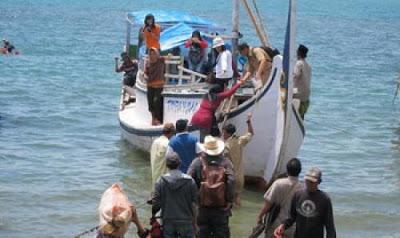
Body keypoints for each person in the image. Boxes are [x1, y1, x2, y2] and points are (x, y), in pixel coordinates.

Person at [187, 135, 235, 238]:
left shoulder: (197, 162)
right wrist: (229, 201)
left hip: (202, 207)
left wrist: (194, 199)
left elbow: (188, 180)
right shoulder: (226, 162)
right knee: (221, 233)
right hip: (221, 208)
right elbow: (231, 181)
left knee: (201, 233)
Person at [274, 167, 336, 238]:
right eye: (307, 180)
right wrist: (283, 226)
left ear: (319, 182)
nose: (309, 184)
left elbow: (330, 226)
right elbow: (292, 217)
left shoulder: (325, 199)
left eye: (312, 182)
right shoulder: (298, 195)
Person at [152, 152, 198, 238]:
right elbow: (195, 202)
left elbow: (156, 204)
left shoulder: (160, 181)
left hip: (168, 220)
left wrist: (153, 216)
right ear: (180, 163)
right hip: (186, 220)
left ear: (166, 165)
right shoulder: (190, 181)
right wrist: (195, 222)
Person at [255, 158, 304, 238]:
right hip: (292, 227)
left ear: (287, 170)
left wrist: (260, 216)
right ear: (300, 171)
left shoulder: (278, 183)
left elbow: (268, 204)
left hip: (275, 223)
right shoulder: (303, 188)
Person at [222, 113, 254, 207]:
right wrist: (248, 121)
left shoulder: (225, 146)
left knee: (228, 203)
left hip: (230, 177)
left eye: (223, 132)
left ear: (227, 133)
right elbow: (251, 133)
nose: (222, 134)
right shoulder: (240, 140)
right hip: (240, 177)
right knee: (237, 199)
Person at [144, 48, 166, 125]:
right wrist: (145, 76)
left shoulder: (160, 60)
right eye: (150, 54)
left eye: (154, 54)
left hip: (159, 85)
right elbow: (146, 73)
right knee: (150, 104)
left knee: (157, 102)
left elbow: (168, 56)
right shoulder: (148, 63)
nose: (152, 56)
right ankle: (153, 118)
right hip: (150, 85)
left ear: (157, 54)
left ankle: (158, 119)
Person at [150, 123, 176, 187]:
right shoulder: (167, 144)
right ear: (171, 133)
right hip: (164, 179)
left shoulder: (155, 141)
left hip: (155, 175)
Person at [293, 44, 312, 120]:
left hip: (298, 95)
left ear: (298, 53)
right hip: (306, 96)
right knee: (301, 118)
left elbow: (294, 76)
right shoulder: (308, 65)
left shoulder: (299, 63)